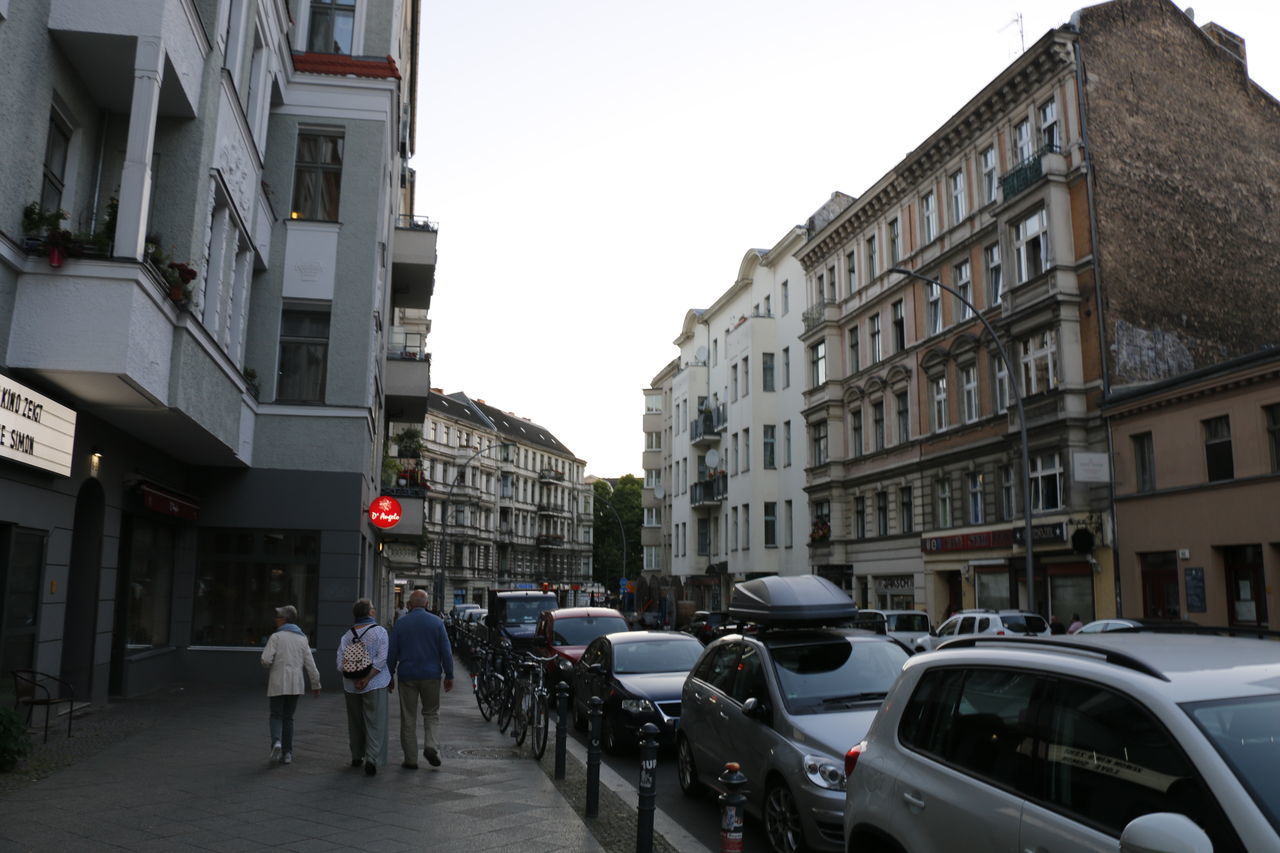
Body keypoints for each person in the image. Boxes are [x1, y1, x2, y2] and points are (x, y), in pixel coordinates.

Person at [387, 589, 455, 769]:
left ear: (409, 605)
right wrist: (449, 675)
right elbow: (446, 652)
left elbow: (392, 652)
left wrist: (389, 675)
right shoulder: (437, 623)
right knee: (431, 713)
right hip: (431, 675)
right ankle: (431, 746)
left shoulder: (401, 624)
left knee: (408, 717)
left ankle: (410, 759)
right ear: (426, 604)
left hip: (407, 675)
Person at [260, 605, 322, 765]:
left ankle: (276, 742)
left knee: (275, 715)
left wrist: (270, 665)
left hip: (278, 681)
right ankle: (287, 753)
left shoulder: (276, 637)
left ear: (284, 619)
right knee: (289, 718)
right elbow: (310, 664)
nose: (276, 619)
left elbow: (265, 660)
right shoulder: (302, 638)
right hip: (295, 684)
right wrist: (316, 684)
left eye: (278, 616)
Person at [337, 598, 390, 776]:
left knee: (355, 721)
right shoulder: (380, 632)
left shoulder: (346, 636)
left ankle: (356, 755)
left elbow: (340, 664)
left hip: (350, 686)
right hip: (375, 684)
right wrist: (367, 678)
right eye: (373, 608)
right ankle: (372, 758)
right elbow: (382, 660)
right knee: (375, 722)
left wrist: (355, 678)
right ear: (370, 613)